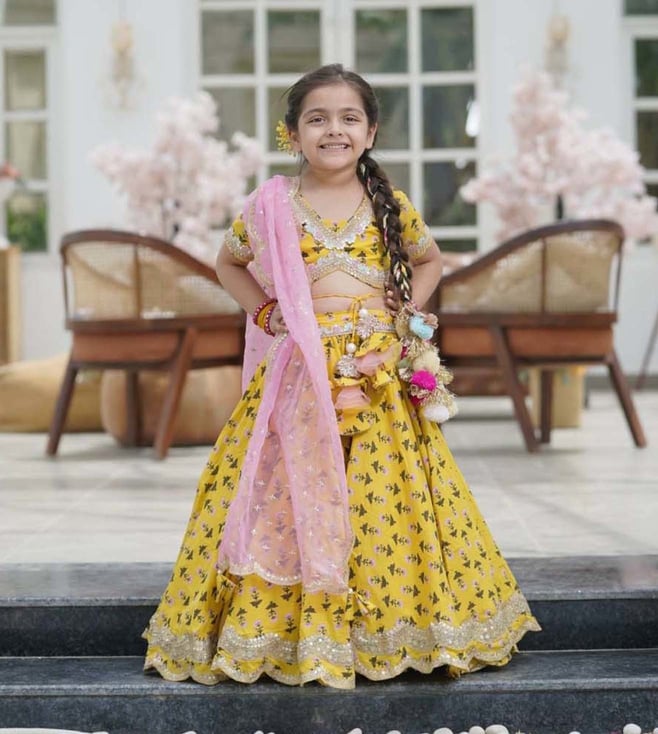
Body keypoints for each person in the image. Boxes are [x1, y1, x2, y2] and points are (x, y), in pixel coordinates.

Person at [143, 63, 540, 689]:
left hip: (377, 378)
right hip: (299, 377)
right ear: (292, 134)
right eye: (317, 119)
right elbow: (228, 263)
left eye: (349, 118)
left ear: (371, 132)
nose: (334, 130)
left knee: (386, 500)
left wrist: (406, 309)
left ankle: (394, 630)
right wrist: (267, 313)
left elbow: (430, 260)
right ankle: (290, 634)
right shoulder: (272, 205)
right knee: (286, 495)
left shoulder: (390, 204)